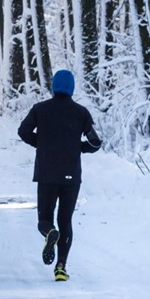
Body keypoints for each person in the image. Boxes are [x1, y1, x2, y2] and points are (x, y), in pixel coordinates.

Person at [17, 69, 101, 282]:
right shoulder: (81, 113)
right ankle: (61, 268)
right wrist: (77, 147)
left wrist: (41, 143)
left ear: (53, 86)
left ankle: (49, 233)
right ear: (72, 87)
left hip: (46, 173)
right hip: (71, 176)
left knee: (45, 218)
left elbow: (23, 131)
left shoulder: (40, 109)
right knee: (66, 220)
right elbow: (95, 142)